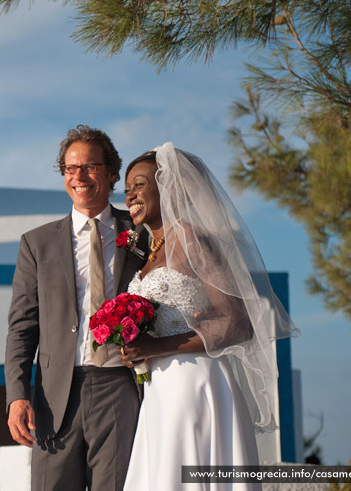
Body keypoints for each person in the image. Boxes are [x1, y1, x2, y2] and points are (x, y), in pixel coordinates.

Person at [120, 143, 299, 490]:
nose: (131, 195)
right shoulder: (149, 250)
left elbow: (238, 322)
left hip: (194, 384)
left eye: (139, 184)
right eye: (127, 189)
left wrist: (155, 347)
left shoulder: (191, 240)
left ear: (168, 185)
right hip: (160, 389)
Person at [5, 125, 150, 491]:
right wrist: (17, 395)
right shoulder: (36, 244)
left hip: (120, 386)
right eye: (70, 169)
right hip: (55, 395)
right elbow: (22, 328)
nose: (79, 176)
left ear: (112, 172)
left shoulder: (139, 234)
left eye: (89, 166)